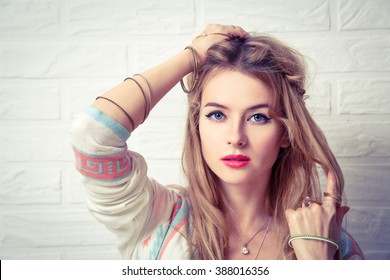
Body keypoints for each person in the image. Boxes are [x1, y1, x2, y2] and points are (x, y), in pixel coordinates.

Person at [70, 24, 364, 260]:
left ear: (286, 132)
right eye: (217, 115)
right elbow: (93, 135)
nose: (235, 138)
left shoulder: (330, 242)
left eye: (258, 117)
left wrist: (315, 262)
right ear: (197, 125)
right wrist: (189, 58)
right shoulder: (154, 217)